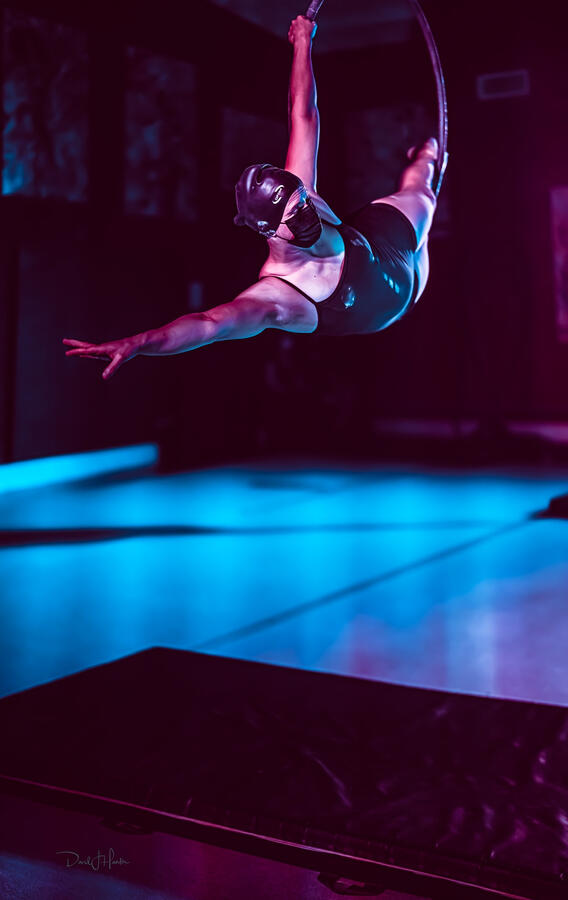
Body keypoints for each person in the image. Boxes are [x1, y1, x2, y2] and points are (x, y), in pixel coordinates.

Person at [64, 16, 441, 380]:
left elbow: (303, 114)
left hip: (375, 244)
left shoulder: (300, 193)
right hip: (401, 297)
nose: (308, 213)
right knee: (421, 240)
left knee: (423, 190)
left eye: (304, 203)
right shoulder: (278, 293)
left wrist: (302, 43)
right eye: (295, 216)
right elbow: (209, 324)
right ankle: (423, 201)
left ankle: (424, 156)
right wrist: (139, 343)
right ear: (268, 230)